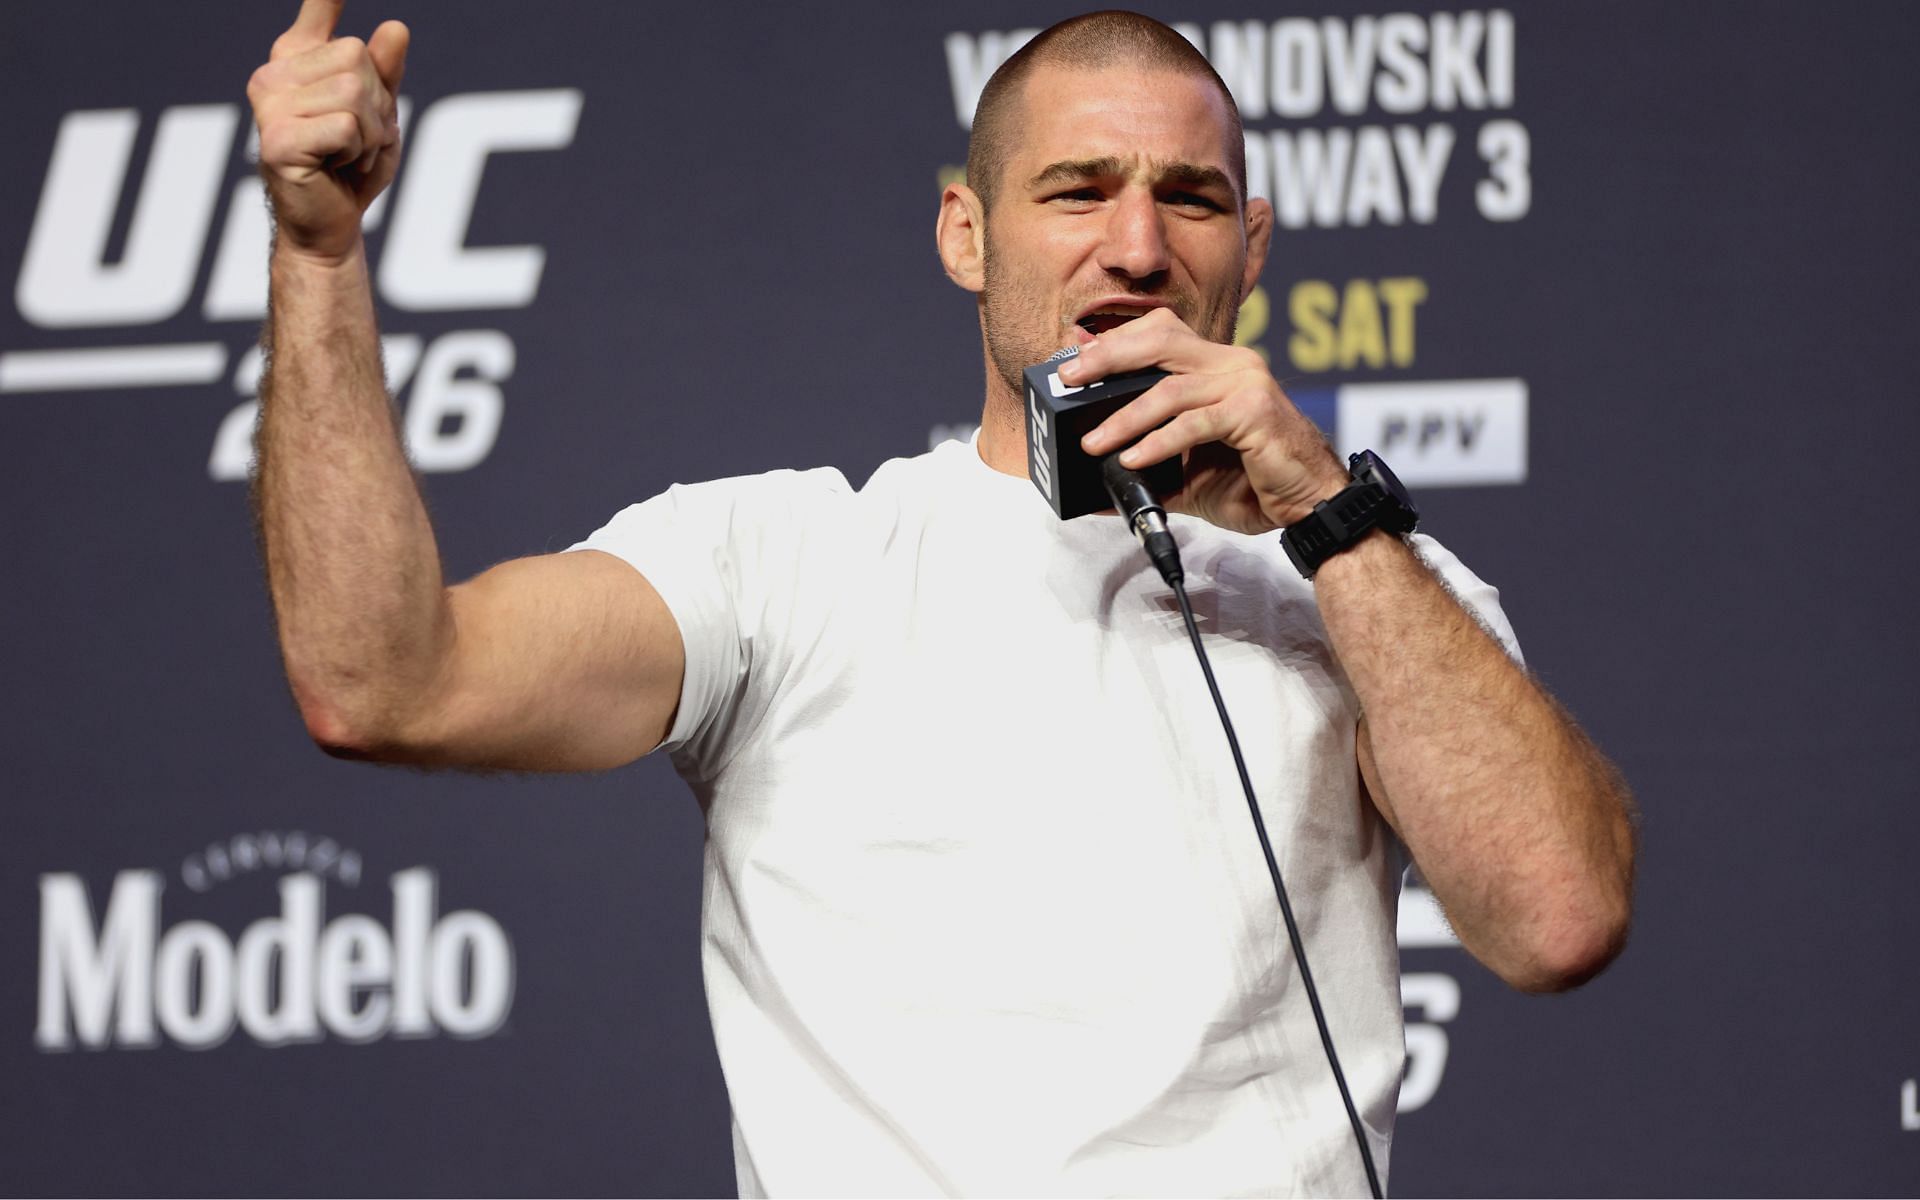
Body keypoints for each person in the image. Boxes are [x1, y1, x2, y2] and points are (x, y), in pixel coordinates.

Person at [247, 3, 1637, 1194]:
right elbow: (388, 683)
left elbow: (1557, 920)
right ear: (966, 234)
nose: (1139, 247)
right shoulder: (781, 565)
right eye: (1078, 189)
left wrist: (1329, 514)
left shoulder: (1366, 573)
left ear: (1253, 246)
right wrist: (319, 259)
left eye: (1191, 198)